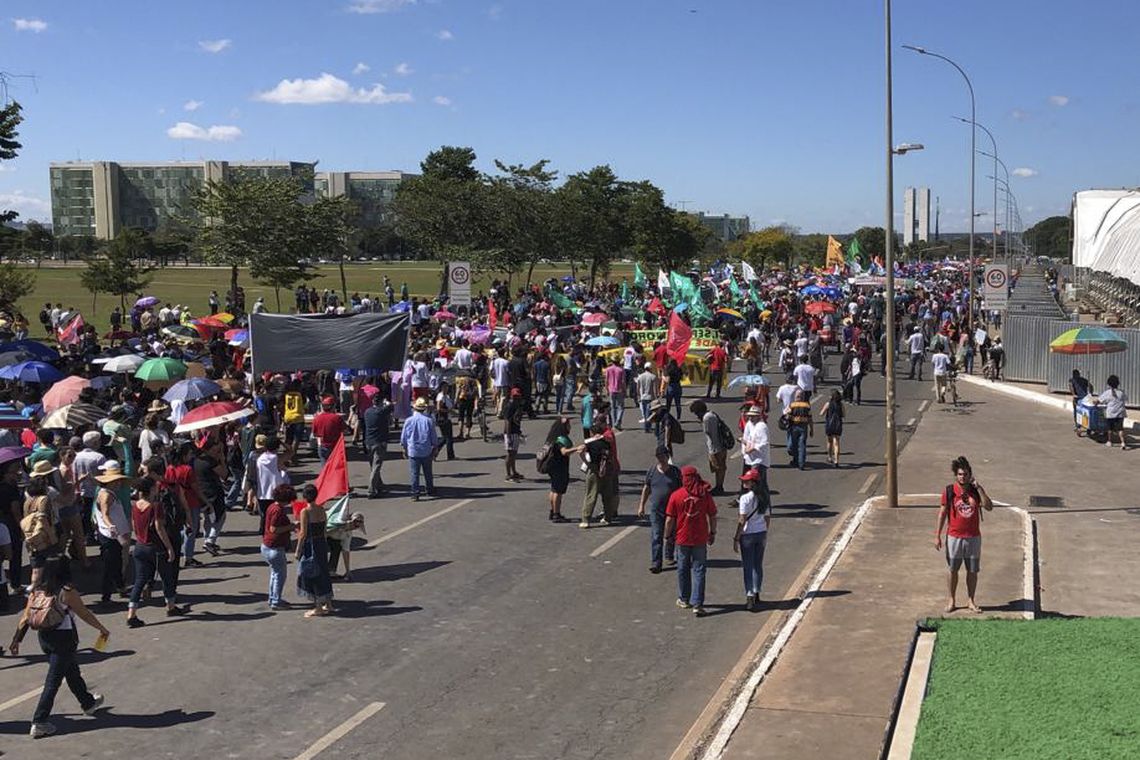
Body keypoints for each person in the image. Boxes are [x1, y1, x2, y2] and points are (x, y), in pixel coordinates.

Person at [9, 562, 109, 739]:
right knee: (53, 681)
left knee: (71, 670)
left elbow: (26, 616)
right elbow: (84, 613)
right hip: (64, 639)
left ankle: (87, 703)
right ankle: (39, 721)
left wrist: (17, 639)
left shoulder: (37, 590)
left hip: (45, 638)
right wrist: (102, 629)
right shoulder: (66, 591)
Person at [935, 456, 993, 613]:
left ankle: (971, 601)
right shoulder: (949, 491)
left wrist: (979, 488)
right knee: (953, 569)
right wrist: (937, 535)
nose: (963, 477)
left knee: (972, 570)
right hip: (954, 537)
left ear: (970, 475)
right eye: (960, 474)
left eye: (966, 474)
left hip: (973, 537)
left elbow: (989, 506)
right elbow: (942, 513)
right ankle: (951, 600)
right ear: (956, 475)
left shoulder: (975, 491)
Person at [125, 476, 184, 627]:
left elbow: (133, 525)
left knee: (140, 580)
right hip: (155, 548)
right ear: (151, 489)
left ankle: (131, 613)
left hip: (139, 546)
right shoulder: (155, 506)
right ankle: (171, 606)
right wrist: (169, 547)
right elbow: (159, 528)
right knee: (167, 577)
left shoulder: (135, 506)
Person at [664, 466, 717, 617]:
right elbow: (712, 515)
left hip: (682, 538)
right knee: (699, 570)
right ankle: (698, 603)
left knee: (682, 568)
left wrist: (667, 537)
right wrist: (712, 532)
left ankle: (684, 598)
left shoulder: (676, 495)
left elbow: (669, 520)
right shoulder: (704, 494)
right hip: (700, 538)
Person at [637, 445, 681, 573]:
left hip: (672, 511)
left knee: (671, 535)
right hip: (656, 511)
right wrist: (641, 505)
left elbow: (681, 490)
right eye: (659, 457)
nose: (661, 459)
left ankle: (669, 555)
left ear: (668, 456)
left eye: (663, 456)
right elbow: (646, 488)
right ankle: (656, 563)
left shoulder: (675, 472)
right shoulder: (652, 471)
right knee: (656, 536)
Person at [93, 461, 132, 606]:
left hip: (113, 535)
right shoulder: (106, 495)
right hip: (110, 535)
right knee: (111, 565)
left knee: (116, 563)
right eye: (116, 480)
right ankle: (106, 595)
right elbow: (105, 513)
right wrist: (111, 526)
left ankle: (120, 586)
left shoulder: (109, 493)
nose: (119, 483)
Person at [733, 468, 771, 611]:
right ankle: (757, 591)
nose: (744, 482)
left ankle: (749, 595)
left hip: (748, 535)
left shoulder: (745, 498)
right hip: (761, 533)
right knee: (757, 565)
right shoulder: (765, 497)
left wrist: (737, 537)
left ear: (752, 483)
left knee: (748, 566)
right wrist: (765, 531)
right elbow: (767, 518)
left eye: (746, 480)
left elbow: (742, 519)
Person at [295, 483, 333, 617]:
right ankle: (328, 602)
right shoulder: (322, 509)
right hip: (321, 543)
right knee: (324, 572)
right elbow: (324, 530)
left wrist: (298, 550)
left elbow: (303, 533)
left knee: (312, 573)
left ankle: (318, 607)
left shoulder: (305, 511)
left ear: (305, 497)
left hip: (310, 544)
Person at [579, 421, 619, 528]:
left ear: (592, 433)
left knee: (591, 495)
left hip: (594, 470)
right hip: (607, 470)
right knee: (607, 495)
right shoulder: (607, 442)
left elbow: (580, 451)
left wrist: (587, 463)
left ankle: (586, 519)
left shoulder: (590, 443)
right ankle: (608, 517)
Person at [401, 396, 439, 501]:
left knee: (414, 473)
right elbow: (433, 436)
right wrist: (435, 447)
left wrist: (404, 448)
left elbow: (404, 437)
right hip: (425, 449)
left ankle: (415, 493)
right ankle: (429, 489)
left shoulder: (408, 421)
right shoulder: (428, 421)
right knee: (428, 472)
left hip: (413, 449)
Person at [543, 417, 579, 523]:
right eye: (568, 425)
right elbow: (564, 452)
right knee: (558, 491)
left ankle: (553, 510)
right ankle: (556, 513)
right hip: (559, 467)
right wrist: (577, 449)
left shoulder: (552, 437)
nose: (570, 427)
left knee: (553, 489)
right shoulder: (560, 439)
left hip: (553, 466)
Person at [690, 399, 727, 494]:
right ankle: (719, 486)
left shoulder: (707, 418)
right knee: (720, 467)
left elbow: (708, 432)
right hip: (721, 446)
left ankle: (719, 487)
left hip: (715, 447)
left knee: (718, 468)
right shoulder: (711, 414)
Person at [363, 395, 392, 497]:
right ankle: (371, 490)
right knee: (376, 467)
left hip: (369, 442)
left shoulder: (367, 412)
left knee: (373, 466)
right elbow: (390, 407)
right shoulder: (381, 412)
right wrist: (387, 403)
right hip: (379, 442)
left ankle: (379, 486)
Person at [311, 396, 346, 464]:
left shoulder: (317, 418)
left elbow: (315, 433)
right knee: (334, 468)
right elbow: (344, 429)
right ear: (333, 406)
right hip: (334, 446)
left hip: (322, 444)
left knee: (324, 468)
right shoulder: (337, 418)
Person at [740, 404, 770, 483]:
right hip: (748, 458)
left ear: (758, 416)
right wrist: (744, 450)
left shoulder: (762, 426)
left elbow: (764, 443)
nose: (750, 418)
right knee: (747, 480)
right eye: (750, 416)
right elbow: (745, 438)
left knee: (758, 482)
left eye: (753, 416)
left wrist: (753, 448)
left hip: (759, 459)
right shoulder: (749, 424)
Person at [1099, 374, 1129, 450]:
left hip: (1111, 413)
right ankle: (1123, 443)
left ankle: (1109, 441)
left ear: (1109, 383)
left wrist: (1094, 402)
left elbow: (1099, 400)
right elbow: (1126, 399)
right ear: (1117, 383)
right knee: (1120, 428)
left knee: (1109, 428)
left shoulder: (1107, 393)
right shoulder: (1121, 392)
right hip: (1120, 413)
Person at [786, 389, 813, 470]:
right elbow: (810, 418)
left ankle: (796, 461)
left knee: (794, 445)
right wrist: (811, 429)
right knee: (802, 446)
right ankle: (801, 463)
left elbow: (787, 416)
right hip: (804, 427)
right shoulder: (807, 406)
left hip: (794, 426)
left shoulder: (792, 405)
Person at [503, 387, 525, 482]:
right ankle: (508, 474)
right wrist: (508, 436)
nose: (517, 398)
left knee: (514, 453)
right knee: (510, 454)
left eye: (518, 396)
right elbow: (507, 421)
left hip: (515, 431)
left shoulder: (517, 405)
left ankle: (514, 472)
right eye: (515, 396)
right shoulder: (510, 406)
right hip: (510, 432)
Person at [821, 389, 844, 467]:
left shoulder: (828, 404)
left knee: (829, 441)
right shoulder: (841, 405)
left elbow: (821, 413)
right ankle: (836, 460)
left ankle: (830, 457)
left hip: (829, 424)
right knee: (836, 443)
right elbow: (844, 414)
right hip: (838, 424)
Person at [604, 356, 626, 430]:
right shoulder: (621, 370)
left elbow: (606, 380)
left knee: (613, 407)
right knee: (621, 407)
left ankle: (614, 423)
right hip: (619, 390)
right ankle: (618, 422)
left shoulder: (608, 369)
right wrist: (624, 390)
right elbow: (623, 382)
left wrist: (606, 389)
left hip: (611, 390)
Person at [635, 361, 657, 433]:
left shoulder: (640, 377)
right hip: (650, 397)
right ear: (650, 368)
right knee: (649, 413)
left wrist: (638, 396)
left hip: (642, 397)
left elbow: (637, 388)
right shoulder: (653, 377)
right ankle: (647, 427)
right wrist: (656, 398)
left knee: (644, 413)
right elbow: (654, 389)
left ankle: (646, 427)